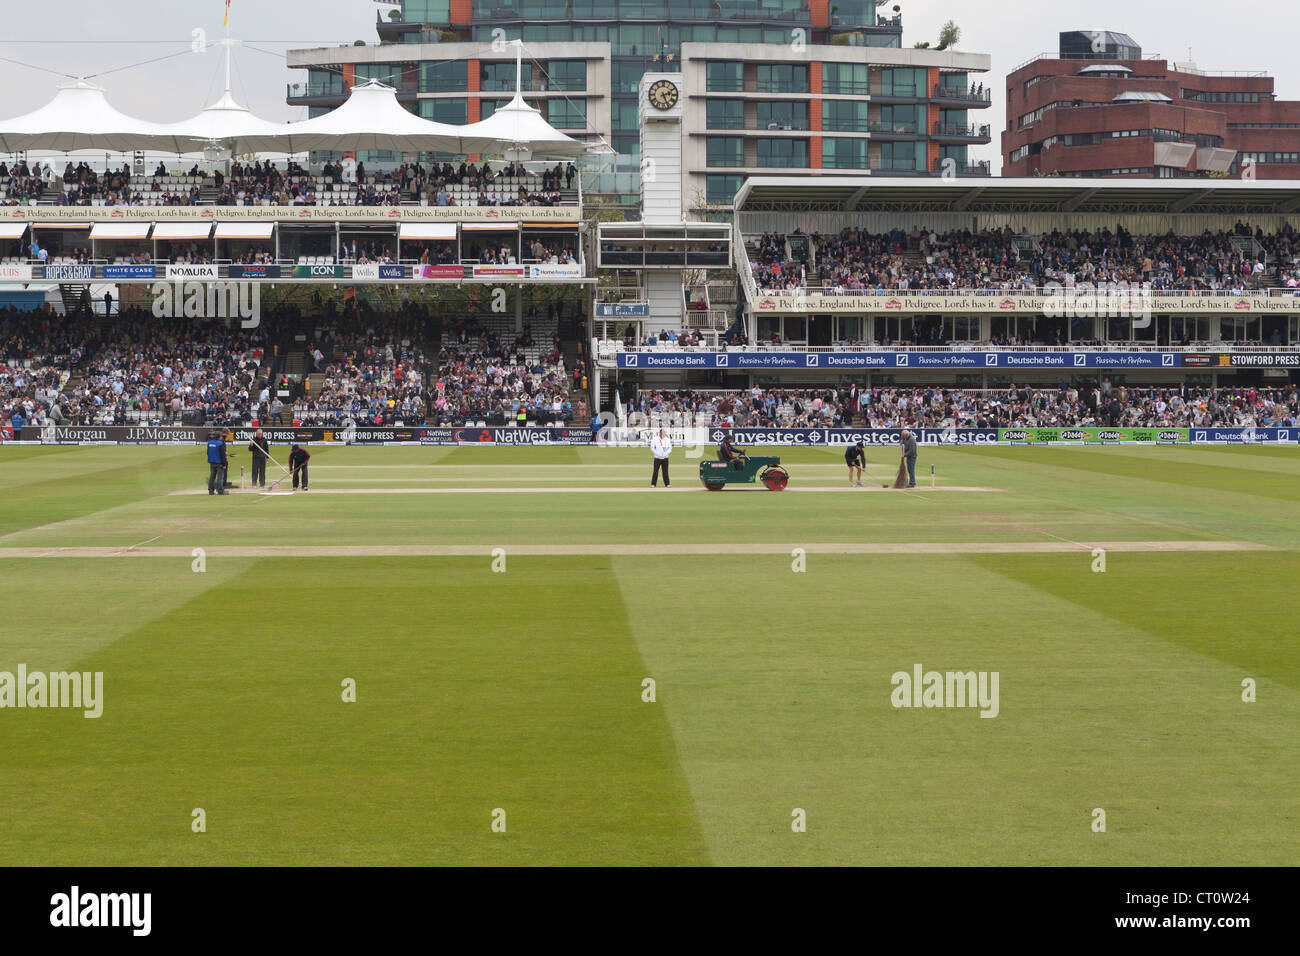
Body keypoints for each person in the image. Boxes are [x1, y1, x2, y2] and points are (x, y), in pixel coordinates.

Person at [206, 430, 228, 496]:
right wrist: (224, 464)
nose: (222, 437)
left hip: (211, 462)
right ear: (219, 437)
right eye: (221, 436)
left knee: (212, 477)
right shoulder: (220, 443)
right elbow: (222, 455)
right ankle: (220, 491)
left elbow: (207, 452)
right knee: (220, 477)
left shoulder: (209, 443)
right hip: (219, 463)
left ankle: (211, 491)